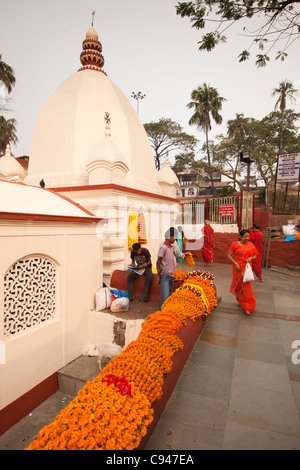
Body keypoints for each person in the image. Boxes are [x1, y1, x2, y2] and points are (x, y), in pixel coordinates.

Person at [227, 229, 259, 316]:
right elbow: (228, 255)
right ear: (240, 236)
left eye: (248, 236)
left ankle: (248, 307)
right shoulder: (235, 244)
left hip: (246, 268)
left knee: (246, 286)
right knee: (238, 286)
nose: (247, 238)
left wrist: (250, 259)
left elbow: (255, 255)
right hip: (237, 268)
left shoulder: (250, 245)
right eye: (245, 236)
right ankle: (241, 301)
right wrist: (235, 264)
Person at [156, 227, 177, 309]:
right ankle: (162, 313)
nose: (175, 239)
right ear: (169, 237)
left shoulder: (171, 247)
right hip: (165, 275)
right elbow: (158, 261)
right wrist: (158, 274)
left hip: (171, 275)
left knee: (168, 297)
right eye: (174, 237)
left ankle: (167, 313)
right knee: (165, 297)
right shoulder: (163, 247)